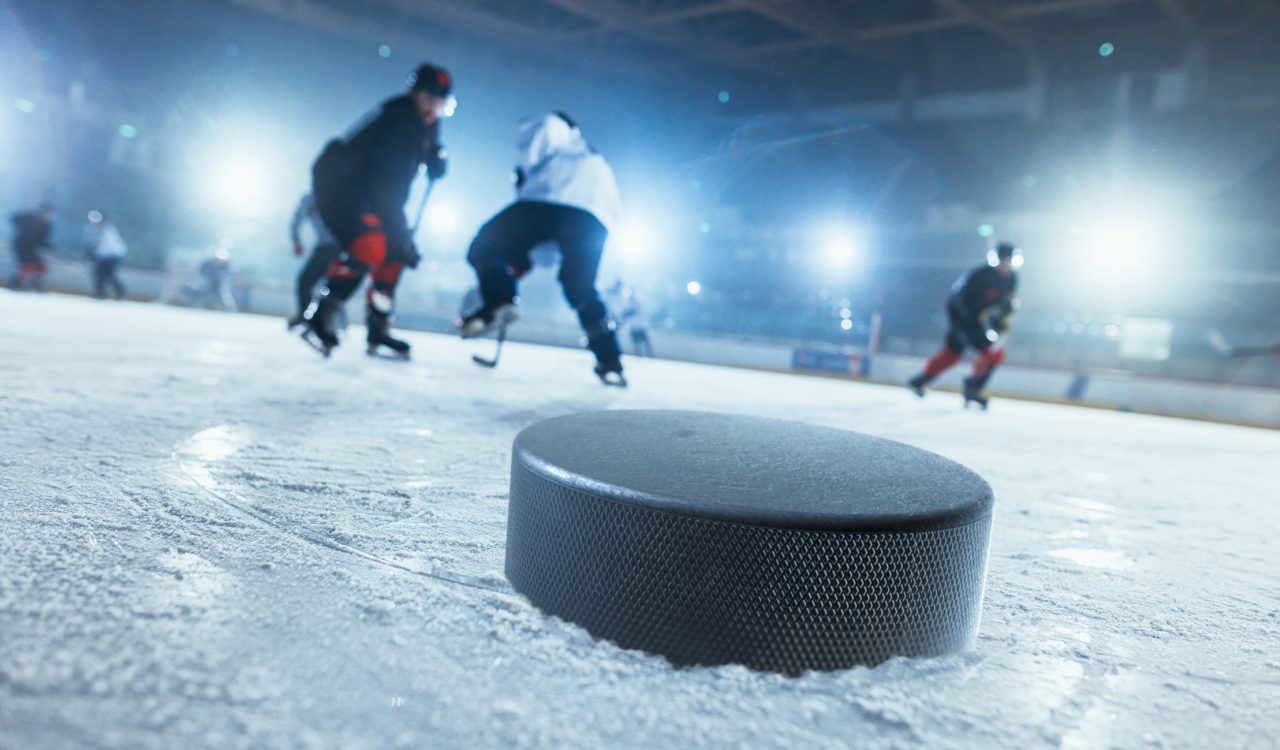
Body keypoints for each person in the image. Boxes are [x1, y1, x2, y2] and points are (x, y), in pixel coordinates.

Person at [459, 112, 625, 385]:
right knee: (579, 287)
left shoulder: (559, 129)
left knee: (485, 244)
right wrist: (519, 261)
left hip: (550, 199)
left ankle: (500, 300)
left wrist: (524, 176)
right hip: (596, 218)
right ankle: (610, 360)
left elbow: (545, 131)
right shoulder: (595, 161)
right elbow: (547, 254)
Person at [301, 63, 451, 359]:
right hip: (344, 191)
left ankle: (378, 328)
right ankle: (321, 314)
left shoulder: (428, 126)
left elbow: (427, 158)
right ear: (414, 94)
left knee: (395, 254)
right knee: (371, 247)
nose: (434, 107)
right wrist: (399, 229)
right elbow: (384, 184)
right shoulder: (399, 120)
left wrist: (437, 161)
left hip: (375, 196)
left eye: (441, 102)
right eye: (428, 99)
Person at [907, 242, 1021, 408]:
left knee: (951, 355)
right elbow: (960, 301)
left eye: (1010, 260)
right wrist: (971, 325)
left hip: (978, 321)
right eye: (1003, 260)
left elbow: (1007, 304)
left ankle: (918, 381)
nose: (1006, 264)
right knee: (993, 353)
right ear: (995, 260)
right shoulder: (979, 276)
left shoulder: (1012, 278)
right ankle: (973, 387)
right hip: (963, 318)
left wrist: (1002, 318)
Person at [287, 192, 342, 328]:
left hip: (332, 248)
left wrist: (296, 241)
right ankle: (314, 318)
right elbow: (296, 222)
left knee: (307, 282)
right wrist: (296, 241)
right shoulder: (314, 198)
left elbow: (296, 221)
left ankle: (309, 318)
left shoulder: (314, 198)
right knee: (328, 285)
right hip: (338, 248)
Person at [9, 202, 54, 291]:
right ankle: (17, 282)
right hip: (21, 244)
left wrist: (48, 246)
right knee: (26, 263)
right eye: (45, 212)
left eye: (49, 213)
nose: (47, 215)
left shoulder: (47, 225)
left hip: (31, 247)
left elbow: (42, 240)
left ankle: (35, 283)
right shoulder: (30, 217)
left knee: (40, 264)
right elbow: (14, 218)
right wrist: (24, 230)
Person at [83, 211, 127, 300]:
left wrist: (93, 254)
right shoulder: (96, 230)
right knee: (99, 274)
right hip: (104, 256)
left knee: (109, 274)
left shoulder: (107, 230)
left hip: (113, 255)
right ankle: (100, 293)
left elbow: (101, 245)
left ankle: (121, 292)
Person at [605, 279, 654, 357]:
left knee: (645, 342)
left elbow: (633, 311)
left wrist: (624, 315)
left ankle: (650, 356)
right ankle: (639, 356)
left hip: (640, 325)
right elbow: (624, 312)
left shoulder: (637, 301)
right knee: (637, 343)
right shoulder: (625, 300)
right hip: (633, 326)